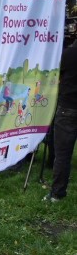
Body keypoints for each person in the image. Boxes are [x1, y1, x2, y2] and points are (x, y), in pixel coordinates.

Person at [48, 26, 77, 202]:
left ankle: (57, 194)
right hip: (68, 108)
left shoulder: (67, 55)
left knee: (63, 154)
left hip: (67, 107)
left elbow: (54, 78)